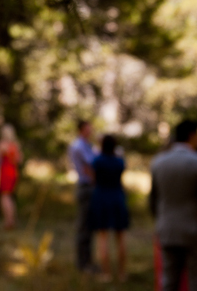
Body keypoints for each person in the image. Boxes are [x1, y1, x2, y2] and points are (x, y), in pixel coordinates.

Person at [150, 119, 197, 291]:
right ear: (192, 135)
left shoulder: (158, 162)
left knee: (169, 281)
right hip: (195, 233)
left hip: (167, 231)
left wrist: (161, 222)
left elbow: (153, 200)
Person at [89, 134, 129, 282]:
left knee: (103, 237)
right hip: (117, 198)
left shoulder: (97, 161)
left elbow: (93, 179)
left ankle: (105, 274)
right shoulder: (120, 161)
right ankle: (122, 273)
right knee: (121, 237)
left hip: (101, 198)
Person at [68, 120, 96, 272]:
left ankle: (88, 261)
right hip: (85, 187)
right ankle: (83, 263)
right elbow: (89, 165)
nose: (90, 131)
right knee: (84, 226)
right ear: (81, 129)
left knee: (89, 226)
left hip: (89, 187)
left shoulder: (87, 145)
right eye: (87, 128)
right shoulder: (79, 146)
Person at [0, 124, 22, 229]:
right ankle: (12, 220)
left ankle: (8, 221)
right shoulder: (15, 145)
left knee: (4, 196)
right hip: (13, 171)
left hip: (5, 171)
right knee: (9, 196)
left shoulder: (2, 144)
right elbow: (19, 160)